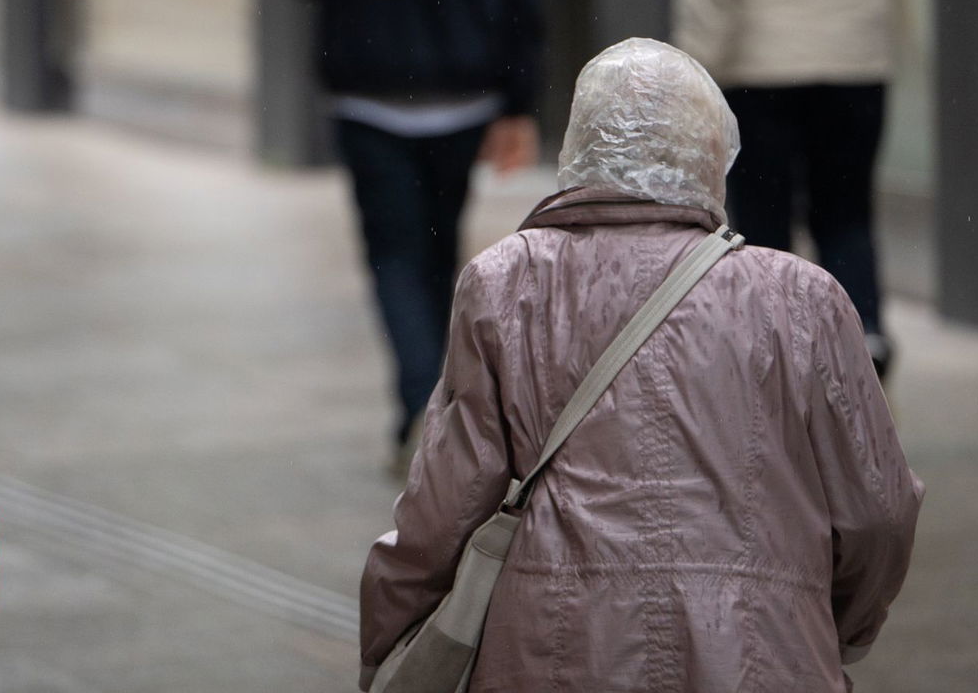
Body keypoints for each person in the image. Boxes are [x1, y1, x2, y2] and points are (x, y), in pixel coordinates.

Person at [359, 38, 922, 692]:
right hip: (759, 656)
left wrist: (388, 645)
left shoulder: (506, 282)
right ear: (714, 156)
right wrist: (824, 622)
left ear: (578, 151)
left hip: (551, 656)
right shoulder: (802, 299)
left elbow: (446, 508)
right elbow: (877, 511)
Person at [671, 0, 933, 379]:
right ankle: (863, 337)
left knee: (763, 214)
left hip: (762, 61)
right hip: (856, 54)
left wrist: (693, 60)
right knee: (846, 207)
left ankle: (774, 351)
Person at [279, 0, 544, 472]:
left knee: (396, 255)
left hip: (368, 85)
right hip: (462, 83)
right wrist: (520, 96)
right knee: (434, 248)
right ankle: (437, 408)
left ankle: (423, 407)